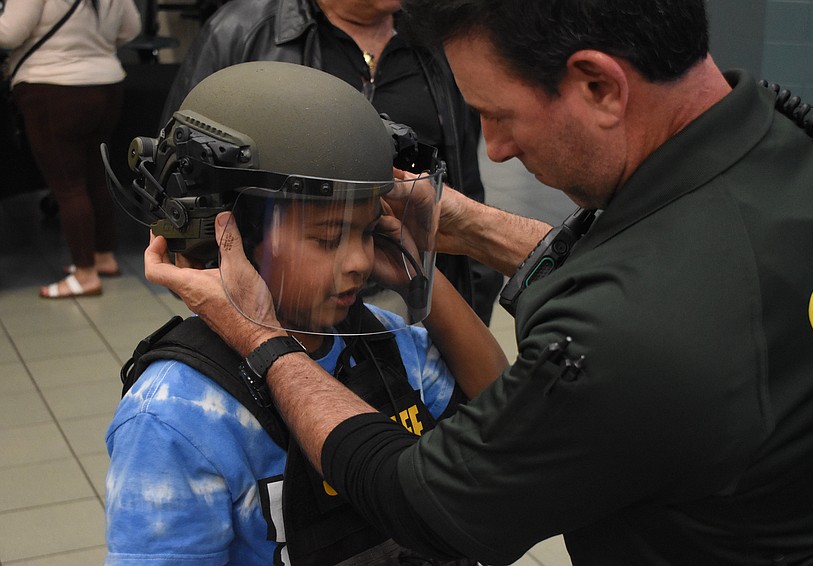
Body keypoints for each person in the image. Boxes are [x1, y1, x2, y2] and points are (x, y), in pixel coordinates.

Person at [144, 0, 813, 564]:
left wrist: (263, 340)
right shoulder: (797, 154)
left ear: (600, 84)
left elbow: (426, 507)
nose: (496, 148)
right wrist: (470, 229)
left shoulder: (626, 335)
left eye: (497, 116)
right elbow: (682, 274)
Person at [105, 61, 506, 565]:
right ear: (225, 239)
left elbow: (503, 422)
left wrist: (416, 272)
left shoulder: (383, 341)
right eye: (326, 238)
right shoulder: (175, 416)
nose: (361, 260)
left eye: (367, 231)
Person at [158, 0, 504, 324]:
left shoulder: (435, 35)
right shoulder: (241, 30)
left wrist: (465, 295)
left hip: (410, 294)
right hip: (278, 307)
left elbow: (462, 179)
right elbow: (178, 171)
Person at [0, 0, 140, 297]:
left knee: (69, 186)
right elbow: (131, 29)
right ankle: (103, 256)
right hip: (107, 85)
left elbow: (9, 33)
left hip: (53, 89)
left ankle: (85, 274)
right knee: (95, 178)